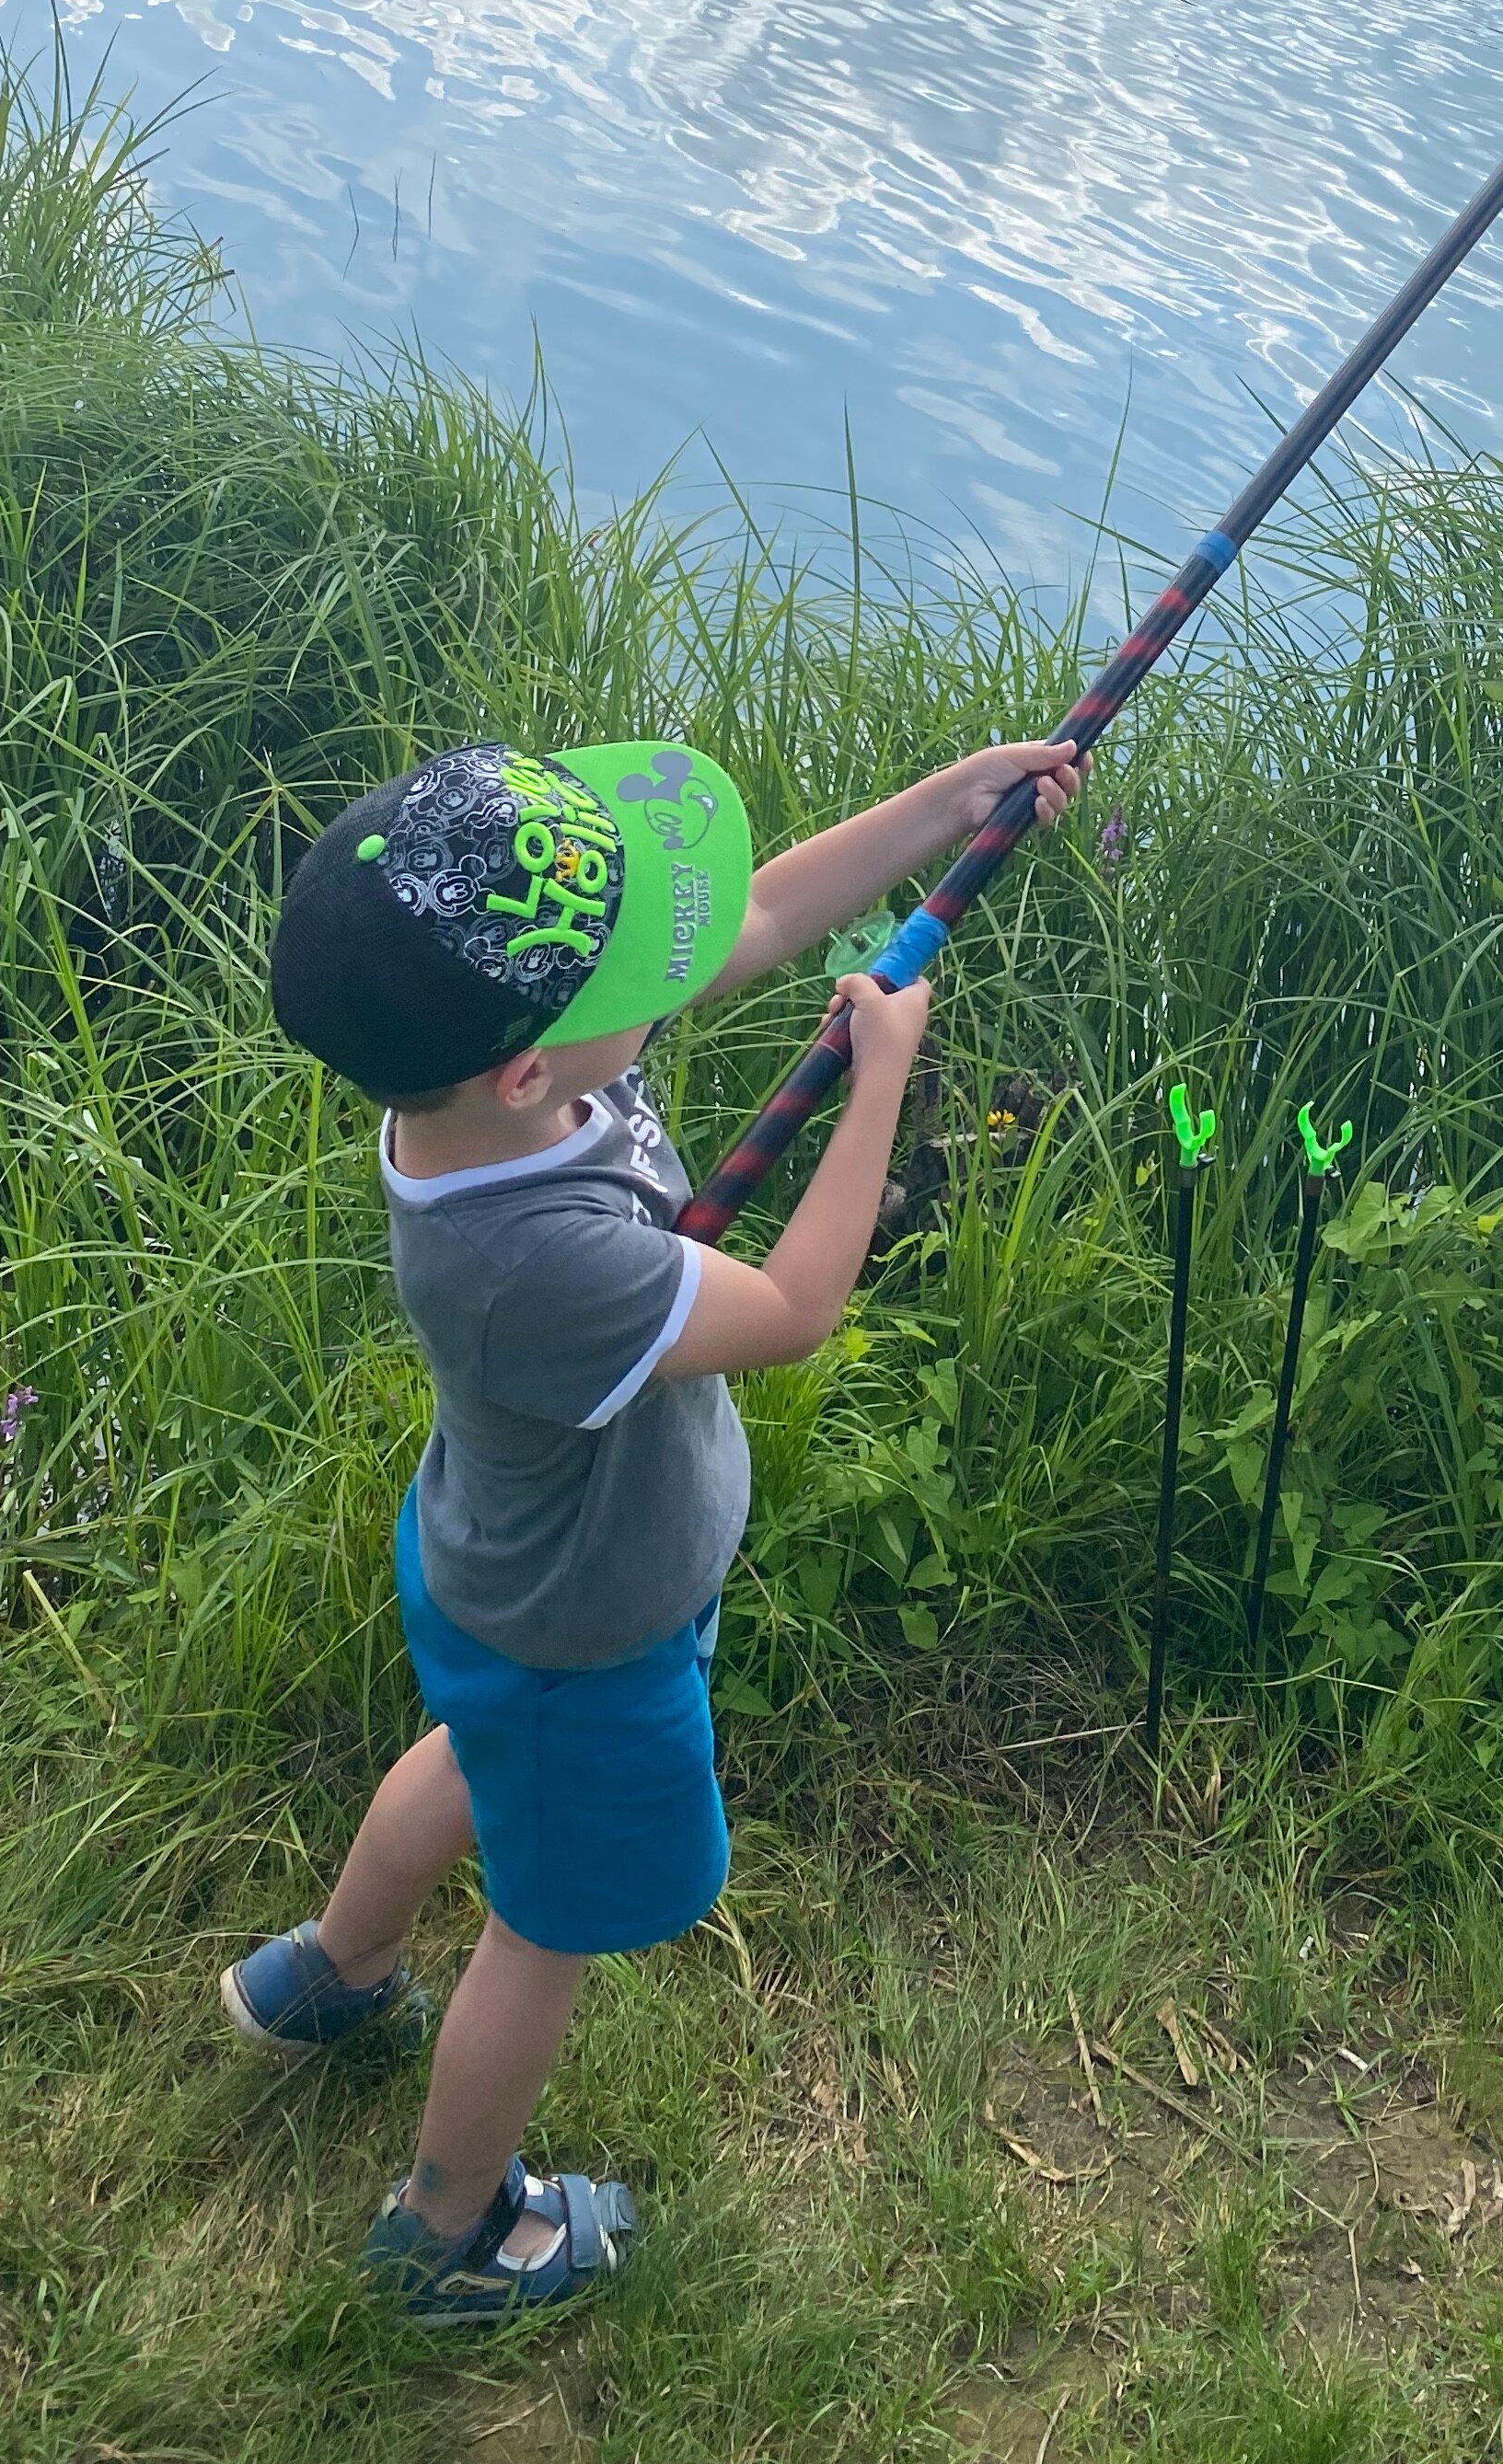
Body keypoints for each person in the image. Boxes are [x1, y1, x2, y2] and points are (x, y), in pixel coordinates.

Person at [237, 724, 1081, 2326]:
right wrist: (880, 1085)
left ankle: (329, 1975)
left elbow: (747, 920)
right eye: (631, 961)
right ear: (532, 1065)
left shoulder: (490, 1089)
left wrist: (945, 805)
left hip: (496, 1573)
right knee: (545, 1925)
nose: (671, 963)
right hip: (582, 1616)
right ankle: (449, 2228)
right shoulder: (531, 1264)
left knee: (483, 1757)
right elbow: (794, 1305)